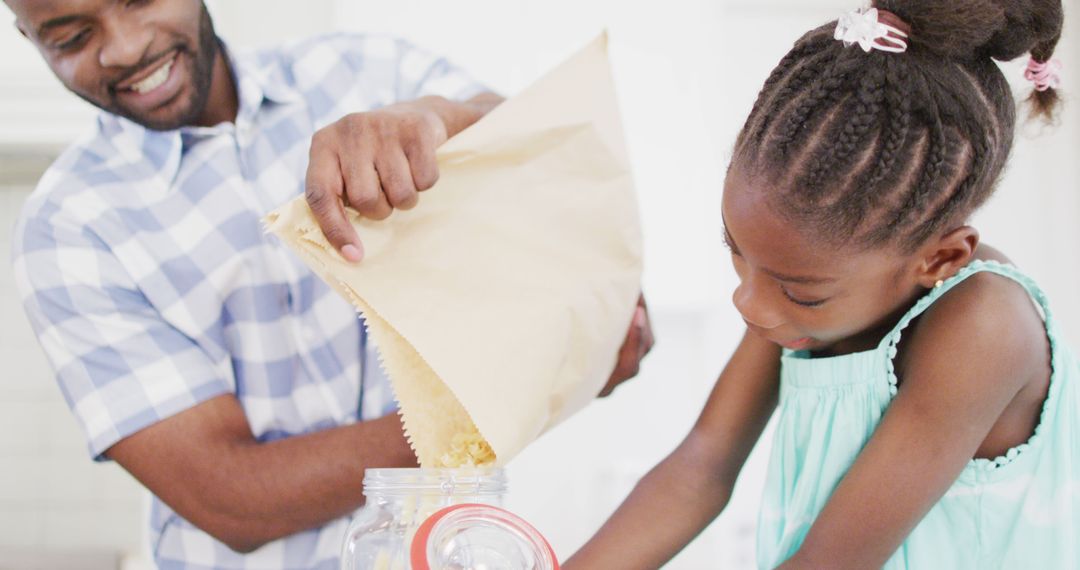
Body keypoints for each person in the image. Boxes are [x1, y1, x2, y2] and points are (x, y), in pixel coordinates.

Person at [6, 1, 654, 568]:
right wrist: (519, 393)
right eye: (70, 37)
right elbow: (230, 498)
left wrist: (433, 119)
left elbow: (547, 155)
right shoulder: (69, 227)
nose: (124, 46)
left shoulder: (369, 69)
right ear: (27, 37)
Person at [565, 1, 1078, 568]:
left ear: (940, 259)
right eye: (736, 252)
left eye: (800, 291)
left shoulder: (985, 328)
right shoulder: (797, 301)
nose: (749, 304)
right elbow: (699, 470)